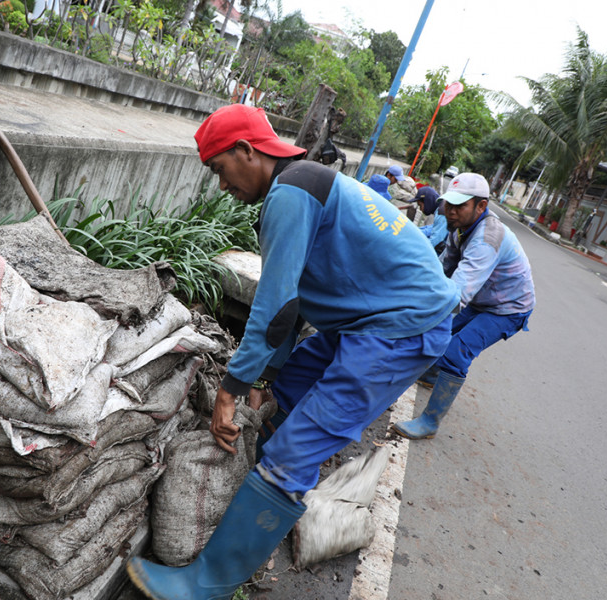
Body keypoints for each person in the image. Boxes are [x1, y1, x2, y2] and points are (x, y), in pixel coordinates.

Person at [126, 103, 460, 600]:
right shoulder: (300, 182)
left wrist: (230, 389)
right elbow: (294, 299)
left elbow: (276, 309)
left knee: (296, 448)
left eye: (219, 169)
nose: (222, 185)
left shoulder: (292, 191)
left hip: (399, 329)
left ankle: (207, 583)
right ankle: (254, 501)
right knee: (290, 386)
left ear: (246, 150)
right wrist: (265, 379)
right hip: (369, 320)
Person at [392, 172, 536, 440]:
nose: (450, 210)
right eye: (449, 203)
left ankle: (429, 422)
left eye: (460, 205)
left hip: (508, 308)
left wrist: (410, 315)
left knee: (456, 351)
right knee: (439, 330)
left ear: (481, 206)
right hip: (483, 298)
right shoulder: (459, 227)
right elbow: (444, 268)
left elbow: (457, 294)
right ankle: (433, 375)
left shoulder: (487, 239)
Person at [414, 186, 447, 254]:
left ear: (427, 201)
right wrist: (416, 231)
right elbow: (433, 228)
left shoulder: (441, 213)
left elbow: (435, 240)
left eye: (420, 205)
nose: (420, 209)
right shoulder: (440, 208)